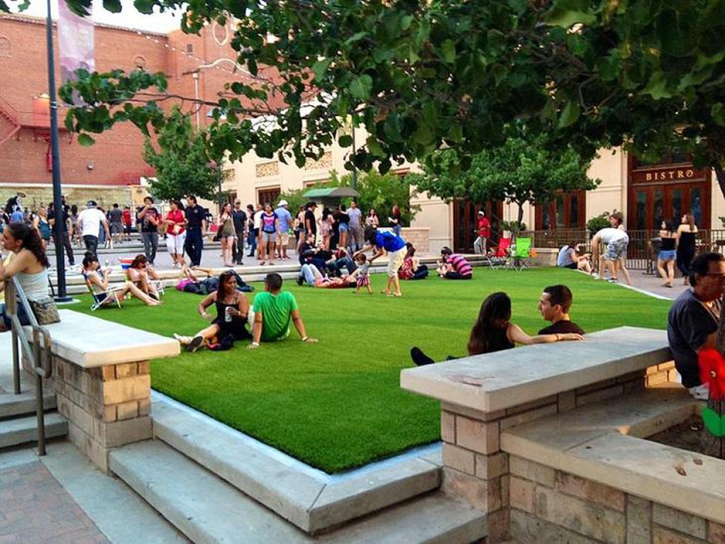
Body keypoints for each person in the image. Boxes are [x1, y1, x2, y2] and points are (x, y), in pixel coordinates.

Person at [410, 291, 583, 365]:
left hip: (478, 366)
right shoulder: (509, 329)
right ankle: (443, 364)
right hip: (495, 370)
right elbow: (532, 341)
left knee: (457, 362)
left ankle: (437, 365)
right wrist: (562, 336)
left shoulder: (479, 327)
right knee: (458, 362)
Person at [667, 252, 725, 400]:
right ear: (699, 278)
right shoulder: (689, 307)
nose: (722, 281)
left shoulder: (714, 299)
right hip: (704, 382)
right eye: (716, 276)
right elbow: (706, 350)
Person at [174, 271, 252, 352]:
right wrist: (204, 314)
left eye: (234, 282)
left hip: (236, 328)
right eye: (229, 283)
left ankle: (188, 340)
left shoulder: (241, 296)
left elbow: (244, 316)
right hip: (220, 325)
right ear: (222, 284)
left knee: (214, 335)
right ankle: (194, 342)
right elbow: (201, 305)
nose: (233, 285)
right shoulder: (216, 295)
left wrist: (237, 313)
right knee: (214, 333)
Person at [0, 223, 54, 331]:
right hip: (28, 307)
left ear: (18, 242)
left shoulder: (27, 254)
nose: (2, 239)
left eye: (6, 237)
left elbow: (2, 276)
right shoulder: (20, 254)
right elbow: (4, 282)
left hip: (31, 309)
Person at [248, 273, 317, 349]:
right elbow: (296, 318)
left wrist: (255, 343)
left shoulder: (260, 297)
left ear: (267, 285)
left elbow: (258, 321)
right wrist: (305, 337)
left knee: (250, 309)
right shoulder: (288, 296)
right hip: (282, 335)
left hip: (263, 336)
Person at [82, 254, 160, 308]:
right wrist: (106, 275)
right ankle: (149, 301)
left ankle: (150, 300)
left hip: (105, 294)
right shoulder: (91, 274)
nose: (97, 264)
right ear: (89, 263)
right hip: (105, 297)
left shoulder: (91, 272)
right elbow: (104, 287)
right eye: (95, 262)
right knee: (129, 284)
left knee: (129, 284)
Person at [355, 225, 406, 297]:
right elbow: (371, 246)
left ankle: (398, 292)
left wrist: (372, 258)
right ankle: (388, 289)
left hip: (398, 249)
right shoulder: (378, 234)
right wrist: (359, 252)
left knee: (391, 270)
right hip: (397, 249)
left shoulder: (378, 237)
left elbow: (382, 252)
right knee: (390, 269)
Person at [48, 202, 75, 266]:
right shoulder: (50, 214)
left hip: (64, 231)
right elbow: (51, 222)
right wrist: (57, 216)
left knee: (68, 246)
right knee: (58, 248)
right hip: (55, 232)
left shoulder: (63, 213)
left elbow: (69, 220)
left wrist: (70, 229)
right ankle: (60, 261)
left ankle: (71, 260)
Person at [609, 212, 632, 285]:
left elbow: (619, 238)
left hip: (619, 248)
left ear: (616, 219)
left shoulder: (620, 227)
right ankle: (617, 278)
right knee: (618, 265)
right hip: (618, 248)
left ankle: (617, 278)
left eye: (612, 219)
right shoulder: (616, 227)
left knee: (620, 265)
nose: (611, 221)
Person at [137, 196, 160, 265]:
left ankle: (152, 258)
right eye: (146, 201)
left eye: (149, 201)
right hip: (145, 230)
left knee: (155, 245)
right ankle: (148, 260)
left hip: (154, 230)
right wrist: (145, 208)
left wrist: (155, 222)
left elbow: (158, 218)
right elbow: (139, 216)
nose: (147, 202)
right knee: (147, 246)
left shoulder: (154, 209)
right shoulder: (141, 209)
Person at [676, 213, 698, 285]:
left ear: (687, 219)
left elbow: (678, 237)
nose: (682, 218)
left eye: (683, 217)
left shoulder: (681, 227)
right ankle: (686, 280)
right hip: (691, 248)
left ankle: (689, 275)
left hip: (682, 247)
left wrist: (677, 245)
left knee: (679, 263)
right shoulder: (694, 227)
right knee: (687, 264)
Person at [184, 196, 207, 267]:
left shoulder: (199, 209)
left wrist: (204, 229)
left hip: (197, 229)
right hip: (189, 229)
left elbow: (203, 219)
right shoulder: (187, 209)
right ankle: (193, 259)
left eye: (188, 200)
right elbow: (186, 218)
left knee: (198, 246)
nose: (187, 202)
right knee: (187, 246)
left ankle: (197, 263)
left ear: (193, 200)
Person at [164, 200, 187, 268]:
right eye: (170, 205)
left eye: (172, 204)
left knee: (179, 247)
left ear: (176, 205)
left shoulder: (182, 212)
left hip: (179, 231)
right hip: (170, 231)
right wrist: (167, 221)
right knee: (170, 246)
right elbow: (163, 220)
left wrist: (179, 223)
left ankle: (180, 261)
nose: (171, 206)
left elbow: (185, 222)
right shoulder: (168, 212)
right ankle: (175, 259)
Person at [657, 220, 677, 288]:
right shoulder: (674, 233)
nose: (661, 225)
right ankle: (671, 282)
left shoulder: (662, 232)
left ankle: (666, 279)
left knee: (660, 266)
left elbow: (660, 238)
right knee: (670, 268)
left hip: (664, 251)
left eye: (663, 224)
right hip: (672, 251)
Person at [218, 202, 236, 267]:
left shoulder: (230, 215)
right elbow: (218, 224)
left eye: (230, 207)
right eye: (228, 206)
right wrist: (221, 222)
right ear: (224, 207)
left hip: (230, 232)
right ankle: (225, 261)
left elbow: (233, 225)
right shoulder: (220, 215)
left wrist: (235, 234)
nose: (229, 208)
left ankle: (229, 261)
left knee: (229, 246)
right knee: (224, 247)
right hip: (223, 232)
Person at [231, 200, 248, 265]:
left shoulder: (243, 213)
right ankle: (234, 257)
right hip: (232, 231)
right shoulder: (231, 212)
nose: (237, 205)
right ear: (234, 204)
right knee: (233, 245)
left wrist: (246, 231)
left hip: (240, 230)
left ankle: (239, 259)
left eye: (238, 203)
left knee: (240, 245)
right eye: (236, 203)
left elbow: (245, 222)